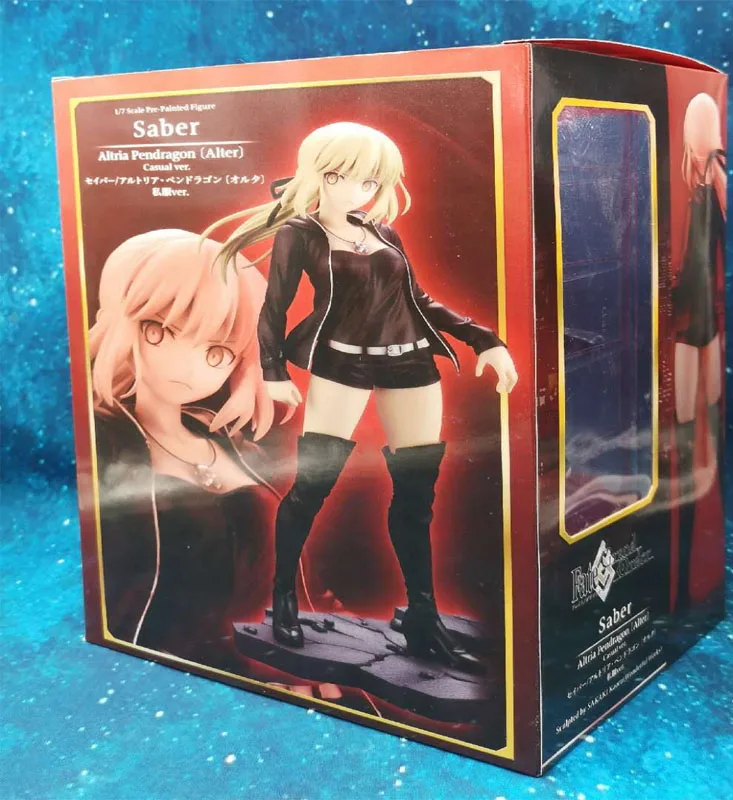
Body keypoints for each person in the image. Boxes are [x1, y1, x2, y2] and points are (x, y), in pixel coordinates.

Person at [203, 121, 518, 673]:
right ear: (321, 175)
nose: (362, 190)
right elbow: (274, 309)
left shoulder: (383, 232)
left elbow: (419, 299)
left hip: (411, 362)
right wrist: (273, 371)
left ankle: (423, 616)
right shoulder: (300, 233)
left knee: (416, 496)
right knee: (313, 484)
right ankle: (283, 595)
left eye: (372, 181)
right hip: (342, 363)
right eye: (347, 177)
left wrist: (484, 339)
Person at [89, 229, 278, 667]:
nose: (187, 364)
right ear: (125, 323)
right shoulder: (101, 446)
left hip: (260, 666)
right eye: (161, 331)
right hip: (149, 670)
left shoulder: (245, 453)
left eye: (217, 352)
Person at [672, 93, 726, 614]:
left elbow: (715, 255)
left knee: (705, 433)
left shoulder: (715, 172)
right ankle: (686, 584)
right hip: (690, 323)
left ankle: (695, 581)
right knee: (687, 441)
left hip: (706, 323)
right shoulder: (698, 178)